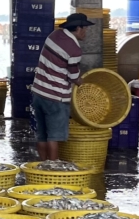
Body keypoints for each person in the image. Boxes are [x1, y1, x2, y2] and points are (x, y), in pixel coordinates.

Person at [31, 13, 93, 161]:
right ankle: (52, 168)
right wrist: (82, 82)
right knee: (54, 137)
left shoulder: (53, 35)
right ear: (78, 28)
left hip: (38, 92)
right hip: (56, 98)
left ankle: (42, 165)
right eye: (85, 28)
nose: (86, 32)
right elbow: (73, 76)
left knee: (41, 134)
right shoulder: (74, 49)